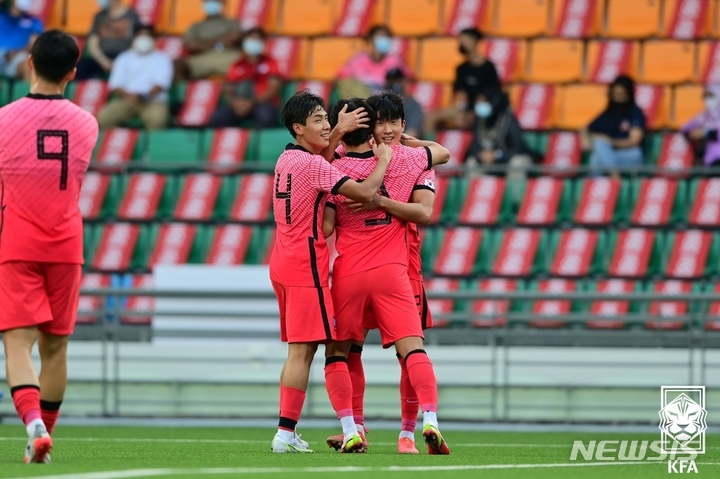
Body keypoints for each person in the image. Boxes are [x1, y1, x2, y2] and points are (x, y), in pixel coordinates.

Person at [322, 97, 452, 456]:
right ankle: (429, 420)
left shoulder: (332, 167)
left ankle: (354, 428)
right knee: (413, 349)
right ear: (372, 127)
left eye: (397, 123)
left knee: (341, 353)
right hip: (395, 271)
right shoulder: (411, 159)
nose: (390, 130)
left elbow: (327, 226)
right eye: (383, 123)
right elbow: (443, 153)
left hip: (348, 272)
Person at [269, 90, 392, 453]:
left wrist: (336, 132)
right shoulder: (315, 165)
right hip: (306, 263)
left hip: (283, 258)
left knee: (300, 350)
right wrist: (383, 159)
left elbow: (319, 162)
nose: (326, 125)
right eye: (319, 120)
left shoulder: (286, 159)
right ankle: (285, 433)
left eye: (327, 117)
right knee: (303, 353)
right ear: (298, 127)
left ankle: (288, 432)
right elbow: (367, 192)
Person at [0, 30, 99, 464]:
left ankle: (33, 425)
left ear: (29, 64)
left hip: (17, 241)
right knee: (55, 348)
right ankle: (43, 437)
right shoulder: (87, 122)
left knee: (16, 344)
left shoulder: (3, 119)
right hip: (66, 243)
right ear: (73, 73)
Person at [97, 25, 173, 130]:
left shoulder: (162, 59)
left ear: (154, 39)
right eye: (140, 35)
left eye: (148, 36)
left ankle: (149, 146)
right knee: (105, 117)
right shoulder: (124, 58)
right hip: (127, 100)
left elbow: (161, 84)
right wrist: (130, 96)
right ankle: (118, 144)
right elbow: (115, 85)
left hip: (153, 102)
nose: (144, 38)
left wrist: (144, 96)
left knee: (157, 120)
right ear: (134, 38)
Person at [426, 28, 501, 133]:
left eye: (464, 40)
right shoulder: (461, 69)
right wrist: (460, 111)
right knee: (431, 117)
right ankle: (428, 148)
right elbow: (460, 93)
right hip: (464, 108)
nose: (461, 43)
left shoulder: (489, 68)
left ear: (474, 41)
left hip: (482, 109)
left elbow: (491, 94)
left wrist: (473, 113)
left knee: (479, 117)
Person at [466, 87, 532, 201]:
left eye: (483, 102)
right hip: (487, 161)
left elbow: (518, 147)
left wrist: (497, 155)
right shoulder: (479, 120)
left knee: (518, 163)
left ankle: (514, 204)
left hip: (507, 159)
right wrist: (480, 155)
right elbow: (474, 146)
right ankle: (475, 202)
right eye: (478, 102)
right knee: (471, 163)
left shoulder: (508, 119)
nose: (479, 105)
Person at [208, 27, 282, 128]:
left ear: (263, 43)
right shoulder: (237, 64)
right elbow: (229, 90)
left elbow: (273, 88)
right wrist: (235, 103)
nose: (254, 42)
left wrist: (253, 102)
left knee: (265, 117)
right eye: (251, 40)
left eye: (257, 40)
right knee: (219, 117)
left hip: (262, 103)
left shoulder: (271, 63)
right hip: (238, 103)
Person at [582, 75, 646, 177]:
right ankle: (611, 184)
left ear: (629, 94)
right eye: (615, 93)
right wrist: (585, 141)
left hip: (631, 155)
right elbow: (586, 128)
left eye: (622, 94)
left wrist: (609, 142)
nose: (618, 97)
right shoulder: (609, 113)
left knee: (598, 150)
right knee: (596, 158)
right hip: (611, 155)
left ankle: (614, 180)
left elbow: (634, 141)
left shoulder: (635, 112)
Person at [337, 25, 411, 99]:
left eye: (386, 36)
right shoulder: (358, 60)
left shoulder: (394, 61)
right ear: (370, 39)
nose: (384, 39)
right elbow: (343, 79)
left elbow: (405, 80)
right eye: (380, 36)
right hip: (363, 102)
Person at [75, 0, 142, 80]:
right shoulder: (99, 16)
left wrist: (121, 62)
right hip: (102, 58)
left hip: (126, 58)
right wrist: (104, 61)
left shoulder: (132, 15)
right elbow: (93, 43)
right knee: (80, 69)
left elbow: (137, 41)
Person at [175, 0, 241, 79]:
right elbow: (191, 45)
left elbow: (234, 39)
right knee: (177, 65)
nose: (211, 3)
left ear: (222, 3)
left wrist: (202, 43)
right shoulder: (196, 26)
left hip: (229, 57)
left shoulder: (232, 22)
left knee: (247, 65)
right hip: (203, 58)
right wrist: (221, 41)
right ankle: (187, 90)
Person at [0, 0, 44, 80]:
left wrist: (15, 52)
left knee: (27, 67)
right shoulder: (2, 14)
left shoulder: (34, 21)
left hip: (17, 57)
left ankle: (28, 92)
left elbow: (34, 45)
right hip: (1, 53)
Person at [682, 84, 720, 169]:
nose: (708, 99)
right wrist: (692, 134)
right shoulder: (705, 116)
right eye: (705, 96)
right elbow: (684, 129)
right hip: (711, 160)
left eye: (711, 96)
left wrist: (705, 132)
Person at [384, 69, 424, 138]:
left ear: (404, 82)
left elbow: (411, 133)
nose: (394, 84)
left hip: (404, 144)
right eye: (391, 81)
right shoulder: (381, 104)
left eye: (397, 81)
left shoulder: (413, 105)